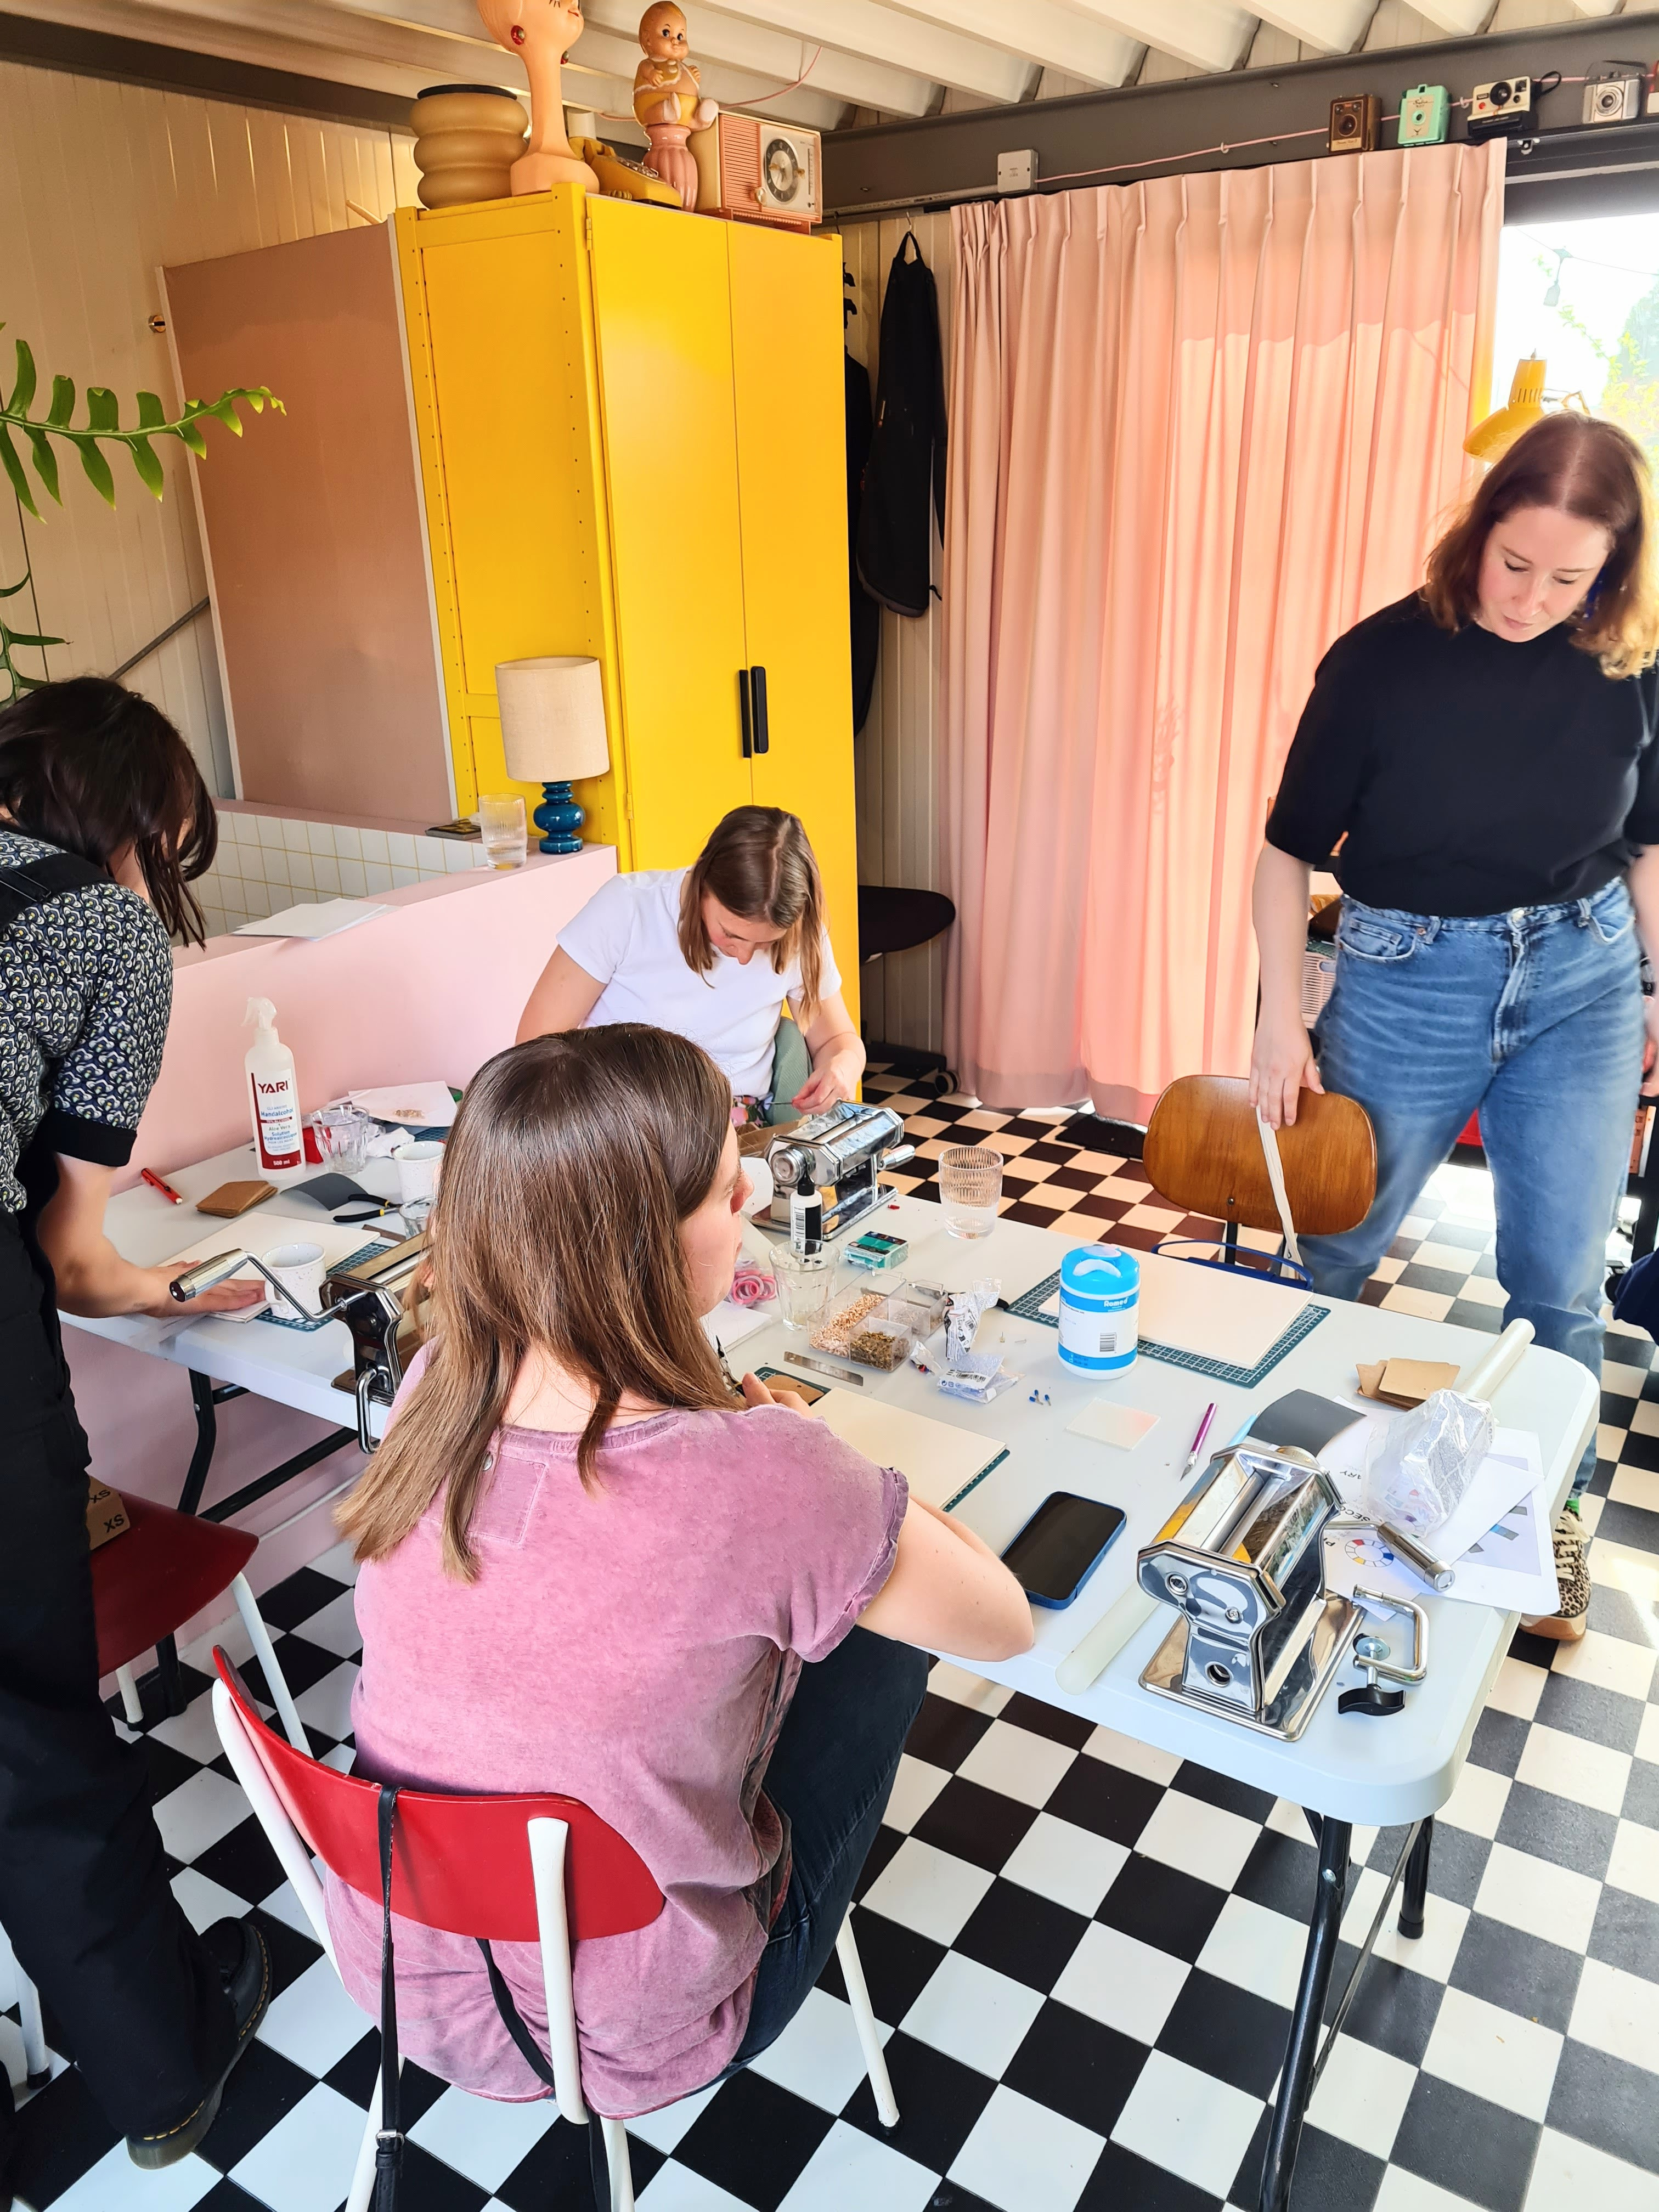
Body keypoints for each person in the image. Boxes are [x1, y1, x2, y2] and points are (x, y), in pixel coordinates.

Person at [327, 1024, 1031, 2142]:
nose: (751, 1189)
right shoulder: (765, 1471)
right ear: (642, 1244)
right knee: (882, 1635)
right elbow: (1002, 1624)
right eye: (721, 1185)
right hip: (644, 2027)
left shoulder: (433, 1387)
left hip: (411, 1973)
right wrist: (837, 1473)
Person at [1249, 411, 1659, 1635]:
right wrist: (1284, 1018)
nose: (1533, 596)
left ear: (1615, 574)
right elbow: (1283, 856)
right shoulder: (1381, 664)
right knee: (1331, 1250)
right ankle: (1274, 1503)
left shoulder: (1631, 666)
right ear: (1476, 534)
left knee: (1557, 1285)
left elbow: (1645, 848)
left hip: (1585, 978)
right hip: (1408, 975)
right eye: (1514, 562)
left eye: (1571, 578)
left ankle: (1548, 1525)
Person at [0, 679, 271, 2192]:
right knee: (29, 1715)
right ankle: (160, 2064)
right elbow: (77, 1258)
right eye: (163, 851)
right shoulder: (100, 931)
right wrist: (176, 1293)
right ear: (131, 826)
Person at [517, 805, 864, 1122]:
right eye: (731, 933)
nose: (744, 957)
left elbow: (840, 1039)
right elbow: (533, 1047)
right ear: (701, 885)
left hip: (738, 1126)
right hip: (632, 1124)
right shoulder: (628, 908)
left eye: (766, 943)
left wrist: (842, 1068)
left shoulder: (802, 935)